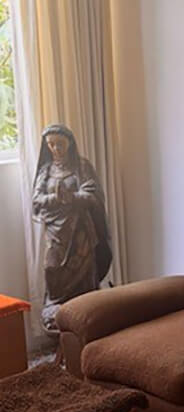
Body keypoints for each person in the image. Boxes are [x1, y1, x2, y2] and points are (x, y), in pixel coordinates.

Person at [32, 123, 112, 333]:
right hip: (55, 233)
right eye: (51, 144)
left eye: (59, 143)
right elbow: (37, 200)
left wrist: (72, 197)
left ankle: (87, 313)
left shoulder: (82, 167)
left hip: (80, 231)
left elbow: (94, 196)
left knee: (83, 273)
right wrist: (55, 198)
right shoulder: (46, 171)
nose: (56, 148)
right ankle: (57, 312)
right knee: (52, 268)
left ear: (69, 143)